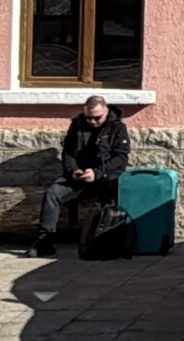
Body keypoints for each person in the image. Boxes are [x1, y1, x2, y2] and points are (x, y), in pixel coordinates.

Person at [34, 95, 131, 256]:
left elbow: (120, 158)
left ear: (106, 111)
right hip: (79, 176)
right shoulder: (77, 125)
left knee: (112, 201)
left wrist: (97, 173)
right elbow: (68, 153)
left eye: (97, 118)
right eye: (88, 118)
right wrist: (73, 171)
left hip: (105, 177)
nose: (92, 121)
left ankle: (106, 242)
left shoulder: (117, 127)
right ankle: (45, 241)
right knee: (52, 193)